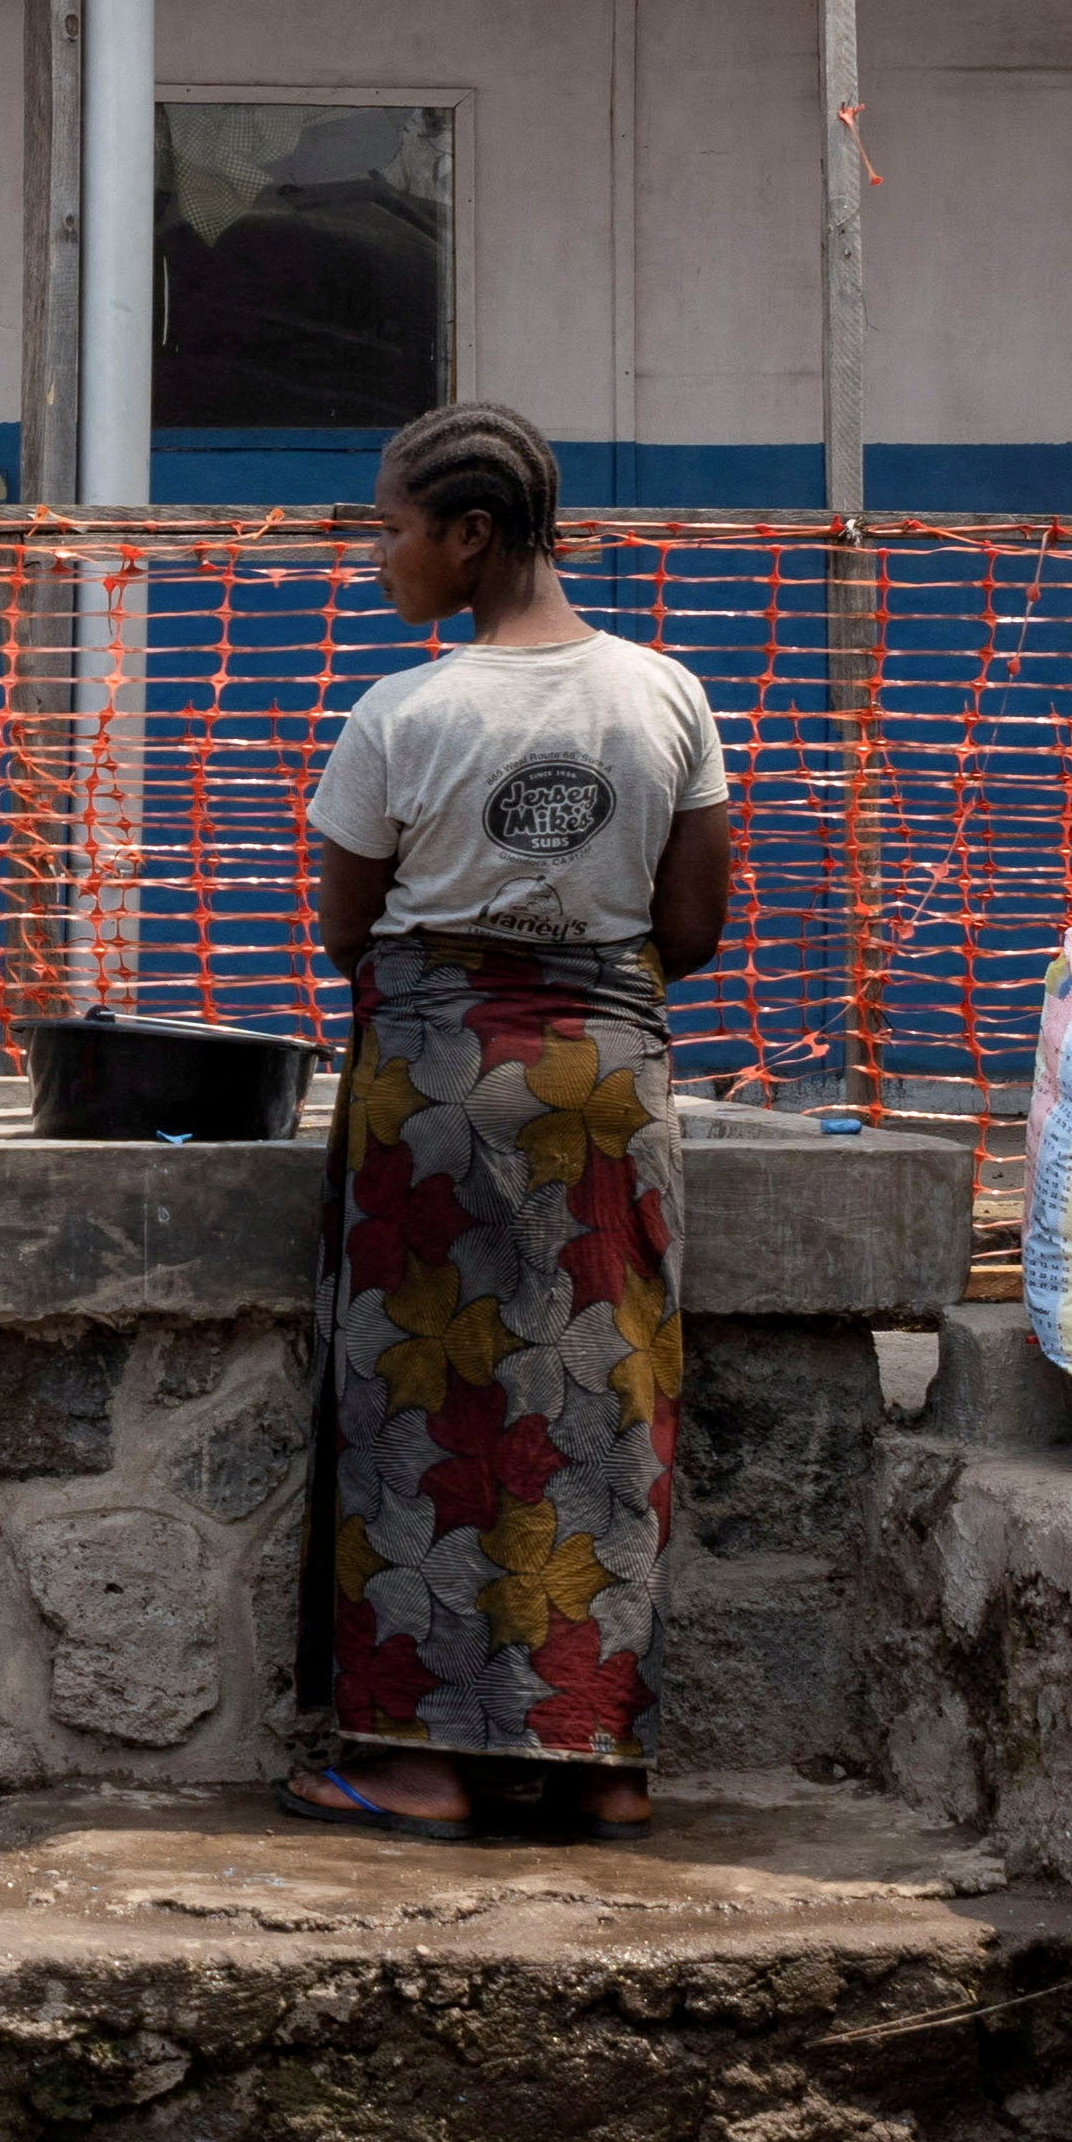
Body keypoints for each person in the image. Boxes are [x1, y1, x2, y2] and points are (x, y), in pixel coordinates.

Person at [283, 404, 736, 1840]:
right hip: (609, 1089)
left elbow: (344, 928)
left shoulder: (401, 717)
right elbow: (693, 928)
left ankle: (414, 1762)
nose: (377, 560)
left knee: (417, 1402)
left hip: (433, 1098)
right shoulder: (664, 695)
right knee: (607, 1399)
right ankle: (597, 1764)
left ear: (466, 536)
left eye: (391, 530)